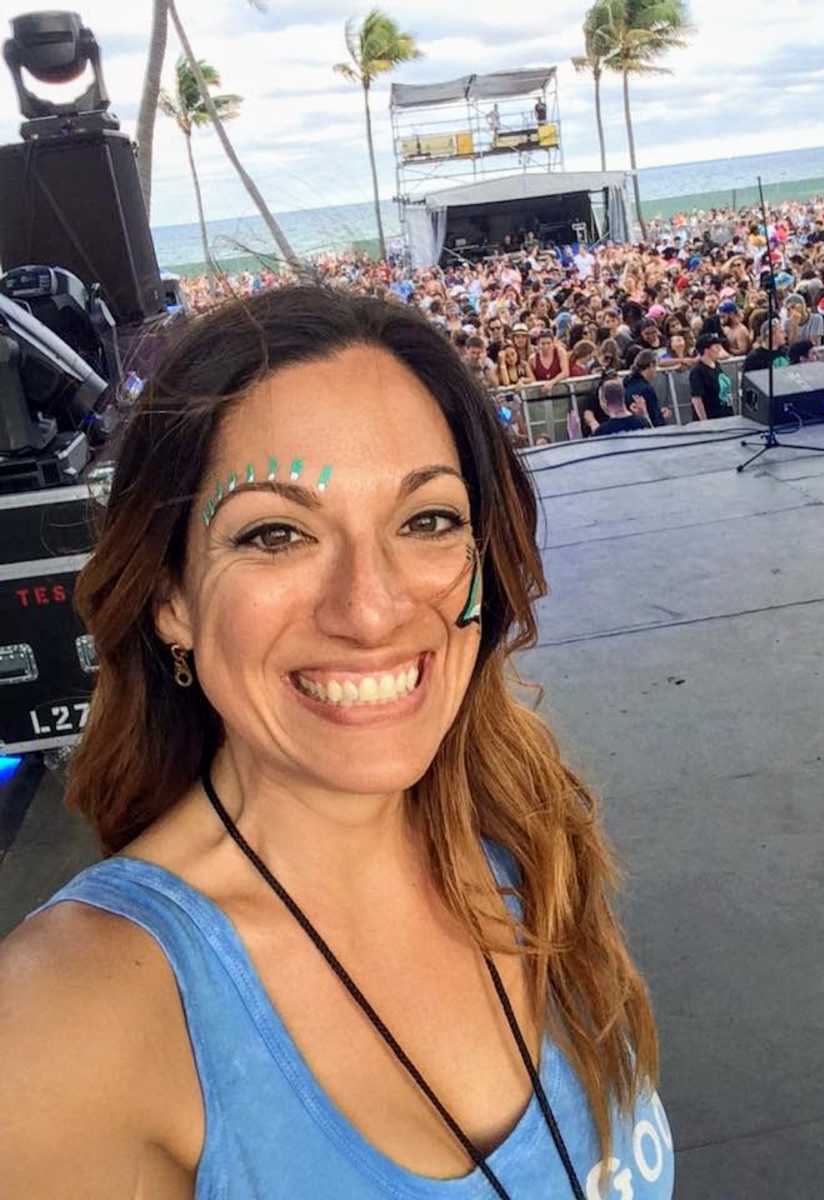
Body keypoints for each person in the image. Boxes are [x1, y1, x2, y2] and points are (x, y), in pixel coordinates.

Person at [0, 286, 673, 1198]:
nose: (370, 608)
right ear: (171, 598)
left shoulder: (527, 829)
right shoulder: (67, 1028)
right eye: (276, 534)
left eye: (427, 520)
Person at [689, 333, 735, 421]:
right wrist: (705, 421)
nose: (719, 349)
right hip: (713, 417)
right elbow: (697, 399)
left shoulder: (717, 365)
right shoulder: (698, 372)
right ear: (706, 350)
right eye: (716, 346)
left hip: (725, 414)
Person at [624, 349, 672, 427]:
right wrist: (661, 417)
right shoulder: (646, 389)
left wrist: (659, 412)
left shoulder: (628, 386)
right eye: (655, 366)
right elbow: (655, 419)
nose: (656, 370)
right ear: (651, 365)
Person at [530, 328, 569, 394]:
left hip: (561, 391)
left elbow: (565, 372)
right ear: (538, 344)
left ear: (553, 343)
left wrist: (552, 382)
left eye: (548, 343)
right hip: (542, 393)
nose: (546, 346)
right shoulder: (533, 358)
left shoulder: (560, 352)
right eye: (543, 343)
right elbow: (532, 379)